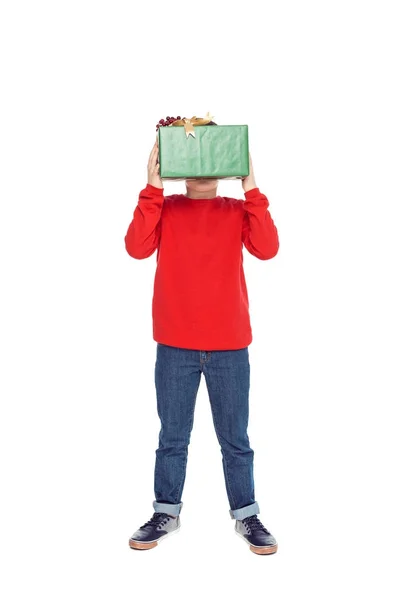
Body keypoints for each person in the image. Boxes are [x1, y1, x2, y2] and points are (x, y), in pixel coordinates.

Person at [124, 119, 280, 554]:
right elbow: (136, 247)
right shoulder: (166, 208)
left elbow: (267, 248)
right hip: (175, 344)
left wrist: (251, 186)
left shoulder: (236, 211)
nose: (201, 166)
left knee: (236, 439)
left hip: (230, 343)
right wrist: (151, 187)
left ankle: (247, 516)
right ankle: (166, 511)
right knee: (172, 436)